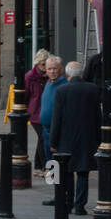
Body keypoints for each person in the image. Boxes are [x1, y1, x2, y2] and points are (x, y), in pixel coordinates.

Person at [49, 61, 101, 216]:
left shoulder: (61, 90)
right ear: (81, 73)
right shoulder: (93, 89)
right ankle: (80, 205)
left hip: (66, 137)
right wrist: (99, 139)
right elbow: (98, 116)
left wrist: (53, 141)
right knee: (83, 171)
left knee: (67, 172)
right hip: (87, 137)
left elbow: (56, 118)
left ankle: (68, 201)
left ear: (67, 74)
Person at [38, 56, 68, 204]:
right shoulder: (48, 84)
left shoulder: (64, 85)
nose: (52, 71)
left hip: (58, 133)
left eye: (55, 68)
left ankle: (62, 195)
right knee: (51, 164)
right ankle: (56, 194)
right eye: (49, 69)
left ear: (61, 69)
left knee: (58, 164)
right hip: (46, 130)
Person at [24, 49, 50, 176]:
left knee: (42, 138)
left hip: (46, 111)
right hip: (35, 112)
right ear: (37, 64)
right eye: (43, 65)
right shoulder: (30, 76)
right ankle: (45, 166)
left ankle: (38, 167)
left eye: (46, 64)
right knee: (43, 137)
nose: (45, 68)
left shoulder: (49, 76)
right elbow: (26, 95)